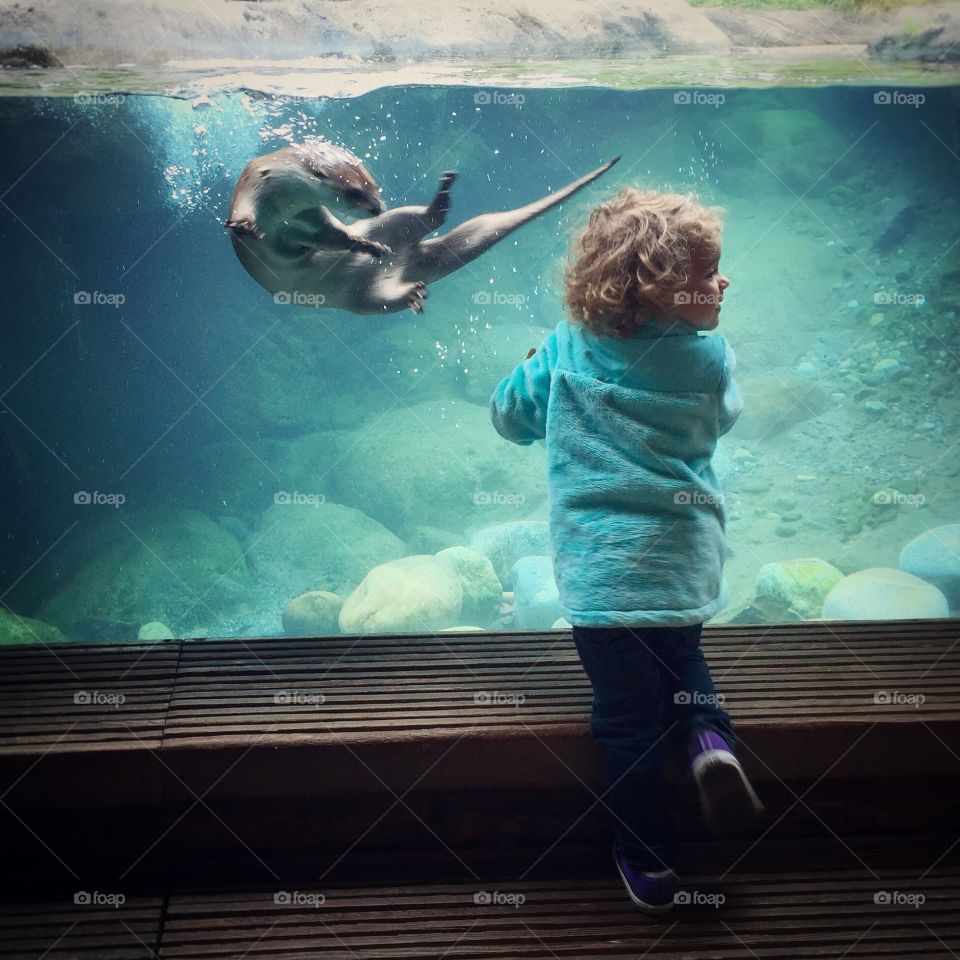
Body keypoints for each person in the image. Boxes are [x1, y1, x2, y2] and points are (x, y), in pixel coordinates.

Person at [489, 187, 764, 915]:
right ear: (663, 291)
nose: (723, 284)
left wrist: (536, 373)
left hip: (602, 568)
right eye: (709, 276)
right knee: (682, 659)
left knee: (624, 719)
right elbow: (725, 417)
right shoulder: (709, 357)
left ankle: (648, 861)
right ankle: (709, 738)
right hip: (683, 557)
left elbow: (509, 417)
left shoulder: (568, 345)